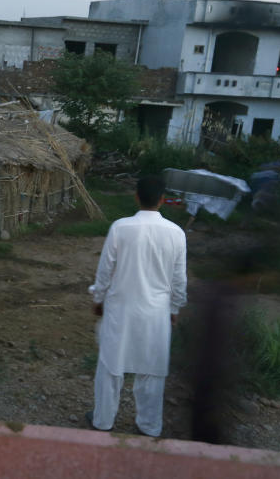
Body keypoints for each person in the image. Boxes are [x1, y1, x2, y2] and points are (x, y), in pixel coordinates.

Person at [87, 175, 188, 437]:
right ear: (163, 200)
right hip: (156, 312)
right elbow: (179, 280)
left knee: (110, 366)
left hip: (121, 308)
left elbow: (105, 270)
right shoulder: (176, 234)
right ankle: (149, 425)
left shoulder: (120, 228)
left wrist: (98, 299)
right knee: (152, 370)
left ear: (136, 197)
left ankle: (103, 420)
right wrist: (174, 309)